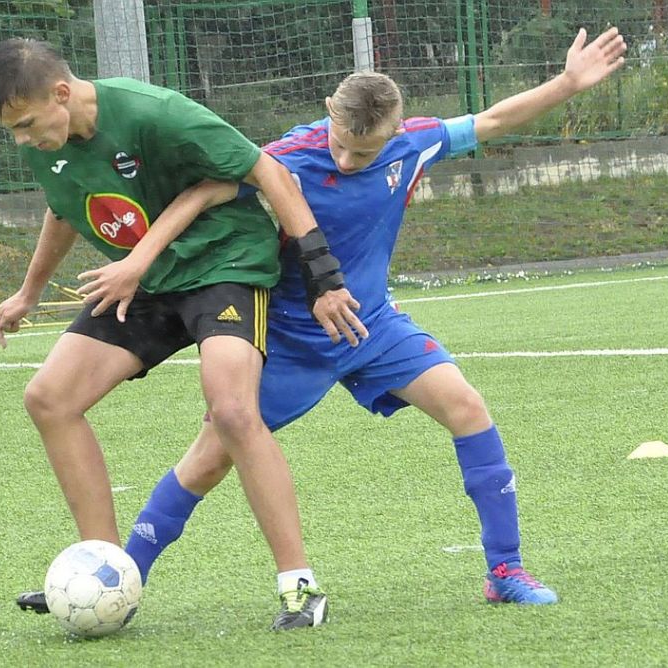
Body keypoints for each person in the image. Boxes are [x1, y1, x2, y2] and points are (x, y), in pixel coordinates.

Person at [112, 27, 628, 606]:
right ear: (329, 111)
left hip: (373, 328)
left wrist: (567, 83)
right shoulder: (285, 156)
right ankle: (123, 576)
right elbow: (200, 193)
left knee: (467, 407)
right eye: (341, 141)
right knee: (209, 459)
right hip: (289, 340)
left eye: (366, 152)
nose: (347, 157)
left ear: (397, 131)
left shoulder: (415, 145)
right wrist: (139, 259)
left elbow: (495, 120)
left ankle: (505, 571)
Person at [0, 37, 367, 630]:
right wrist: (28, 293)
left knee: (233, 413)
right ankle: (107, 573)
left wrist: (325, 279)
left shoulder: (154, 112)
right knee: (49, 398)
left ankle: (299, 585)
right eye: (15, 130)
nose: (23, 139)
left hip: (223, 264)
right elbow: (63, 208)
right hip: (139, 277)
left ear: (62, 92)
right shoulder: (46, 142)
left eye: (28, 123)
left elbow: (267, 170)